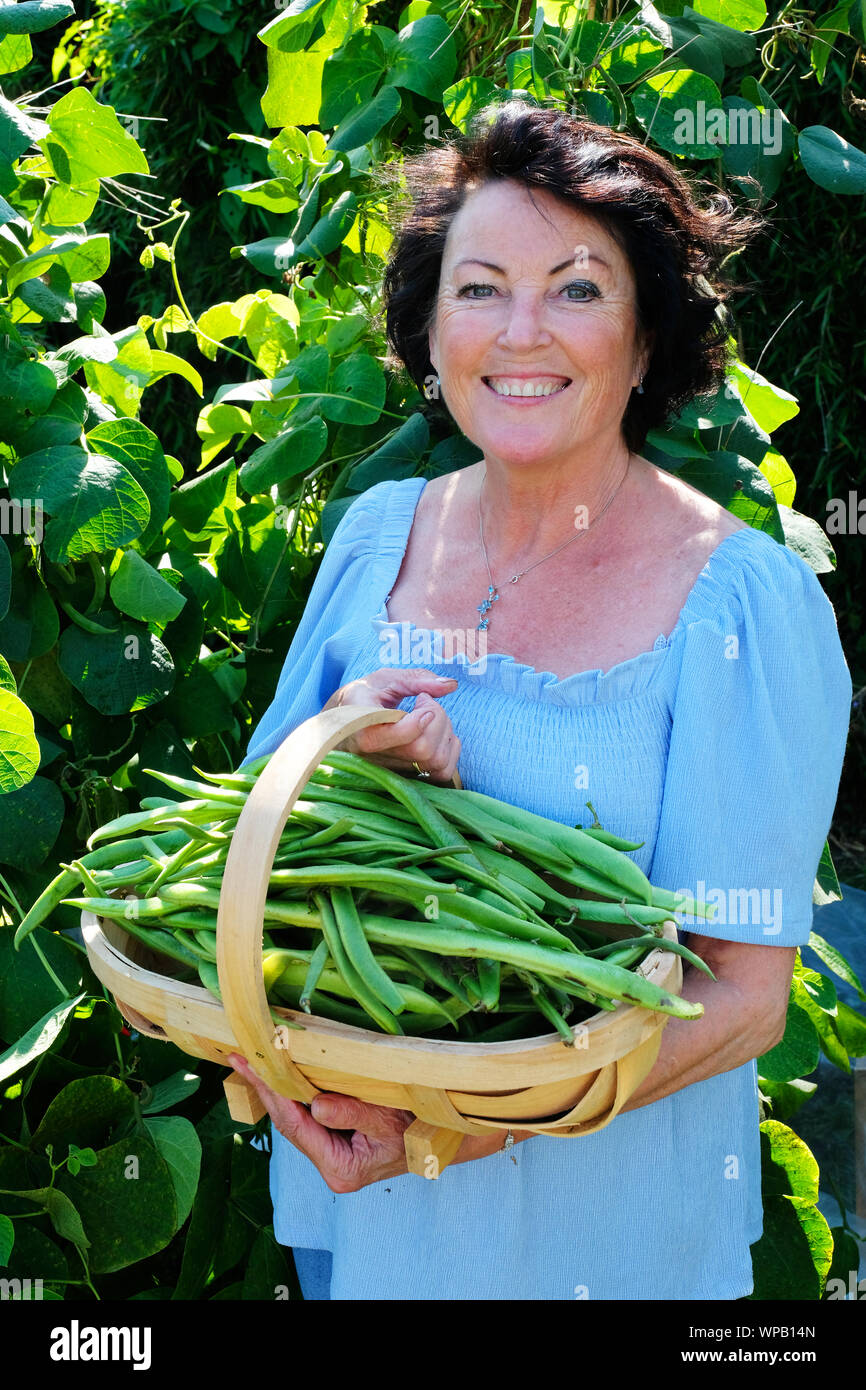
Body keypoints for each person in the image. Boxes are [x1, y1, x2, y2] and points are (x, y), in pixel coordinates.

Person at [227, 101, 852, 1300]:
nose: (521, 333)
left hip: (602, 1247)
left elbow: (735, 997)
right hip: (366, 1225)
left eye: (575, 289)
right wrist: (351, 751)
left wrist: (454, 1130)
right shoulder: (374, 539)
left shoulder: (739, 606)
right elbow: (253, 871)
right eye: (477, 289)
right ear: (426, 328)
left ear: (647, 333)